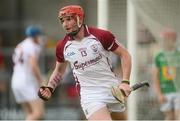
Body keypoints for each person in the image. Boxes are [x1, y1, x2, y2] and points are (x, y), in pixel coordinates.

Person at [38, 5, 132, 120]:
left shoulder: (102, 36)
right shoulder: (62, 46)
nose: (65, 24)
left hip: (112, 89)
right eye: (62, 21)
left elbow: (125, 55)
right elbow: (59, 71)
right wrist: (50, 87)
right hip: (90, 95)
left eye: (68, 19)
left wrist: (125, 81)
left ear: (79, 19)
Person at [11, 25, 45, 120]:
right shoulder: (32, 46)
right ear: (35, 36)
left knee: (30, 113)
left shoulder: (21, 44)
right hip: (26, 81)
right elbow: (33, 65)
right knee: (39, 113)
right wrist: (40, 80)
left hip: (15, 81)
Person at [152, 28, 180, 120]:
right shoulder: (159, 55)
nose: (163, 42)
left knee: (178, 116)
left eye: (165, 39)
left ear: (172, 40)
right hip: (165, 91)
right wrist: (159, 94)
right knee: (169, 117)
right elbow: (155, 77)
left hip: (178, 91)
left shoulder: (178, 54)